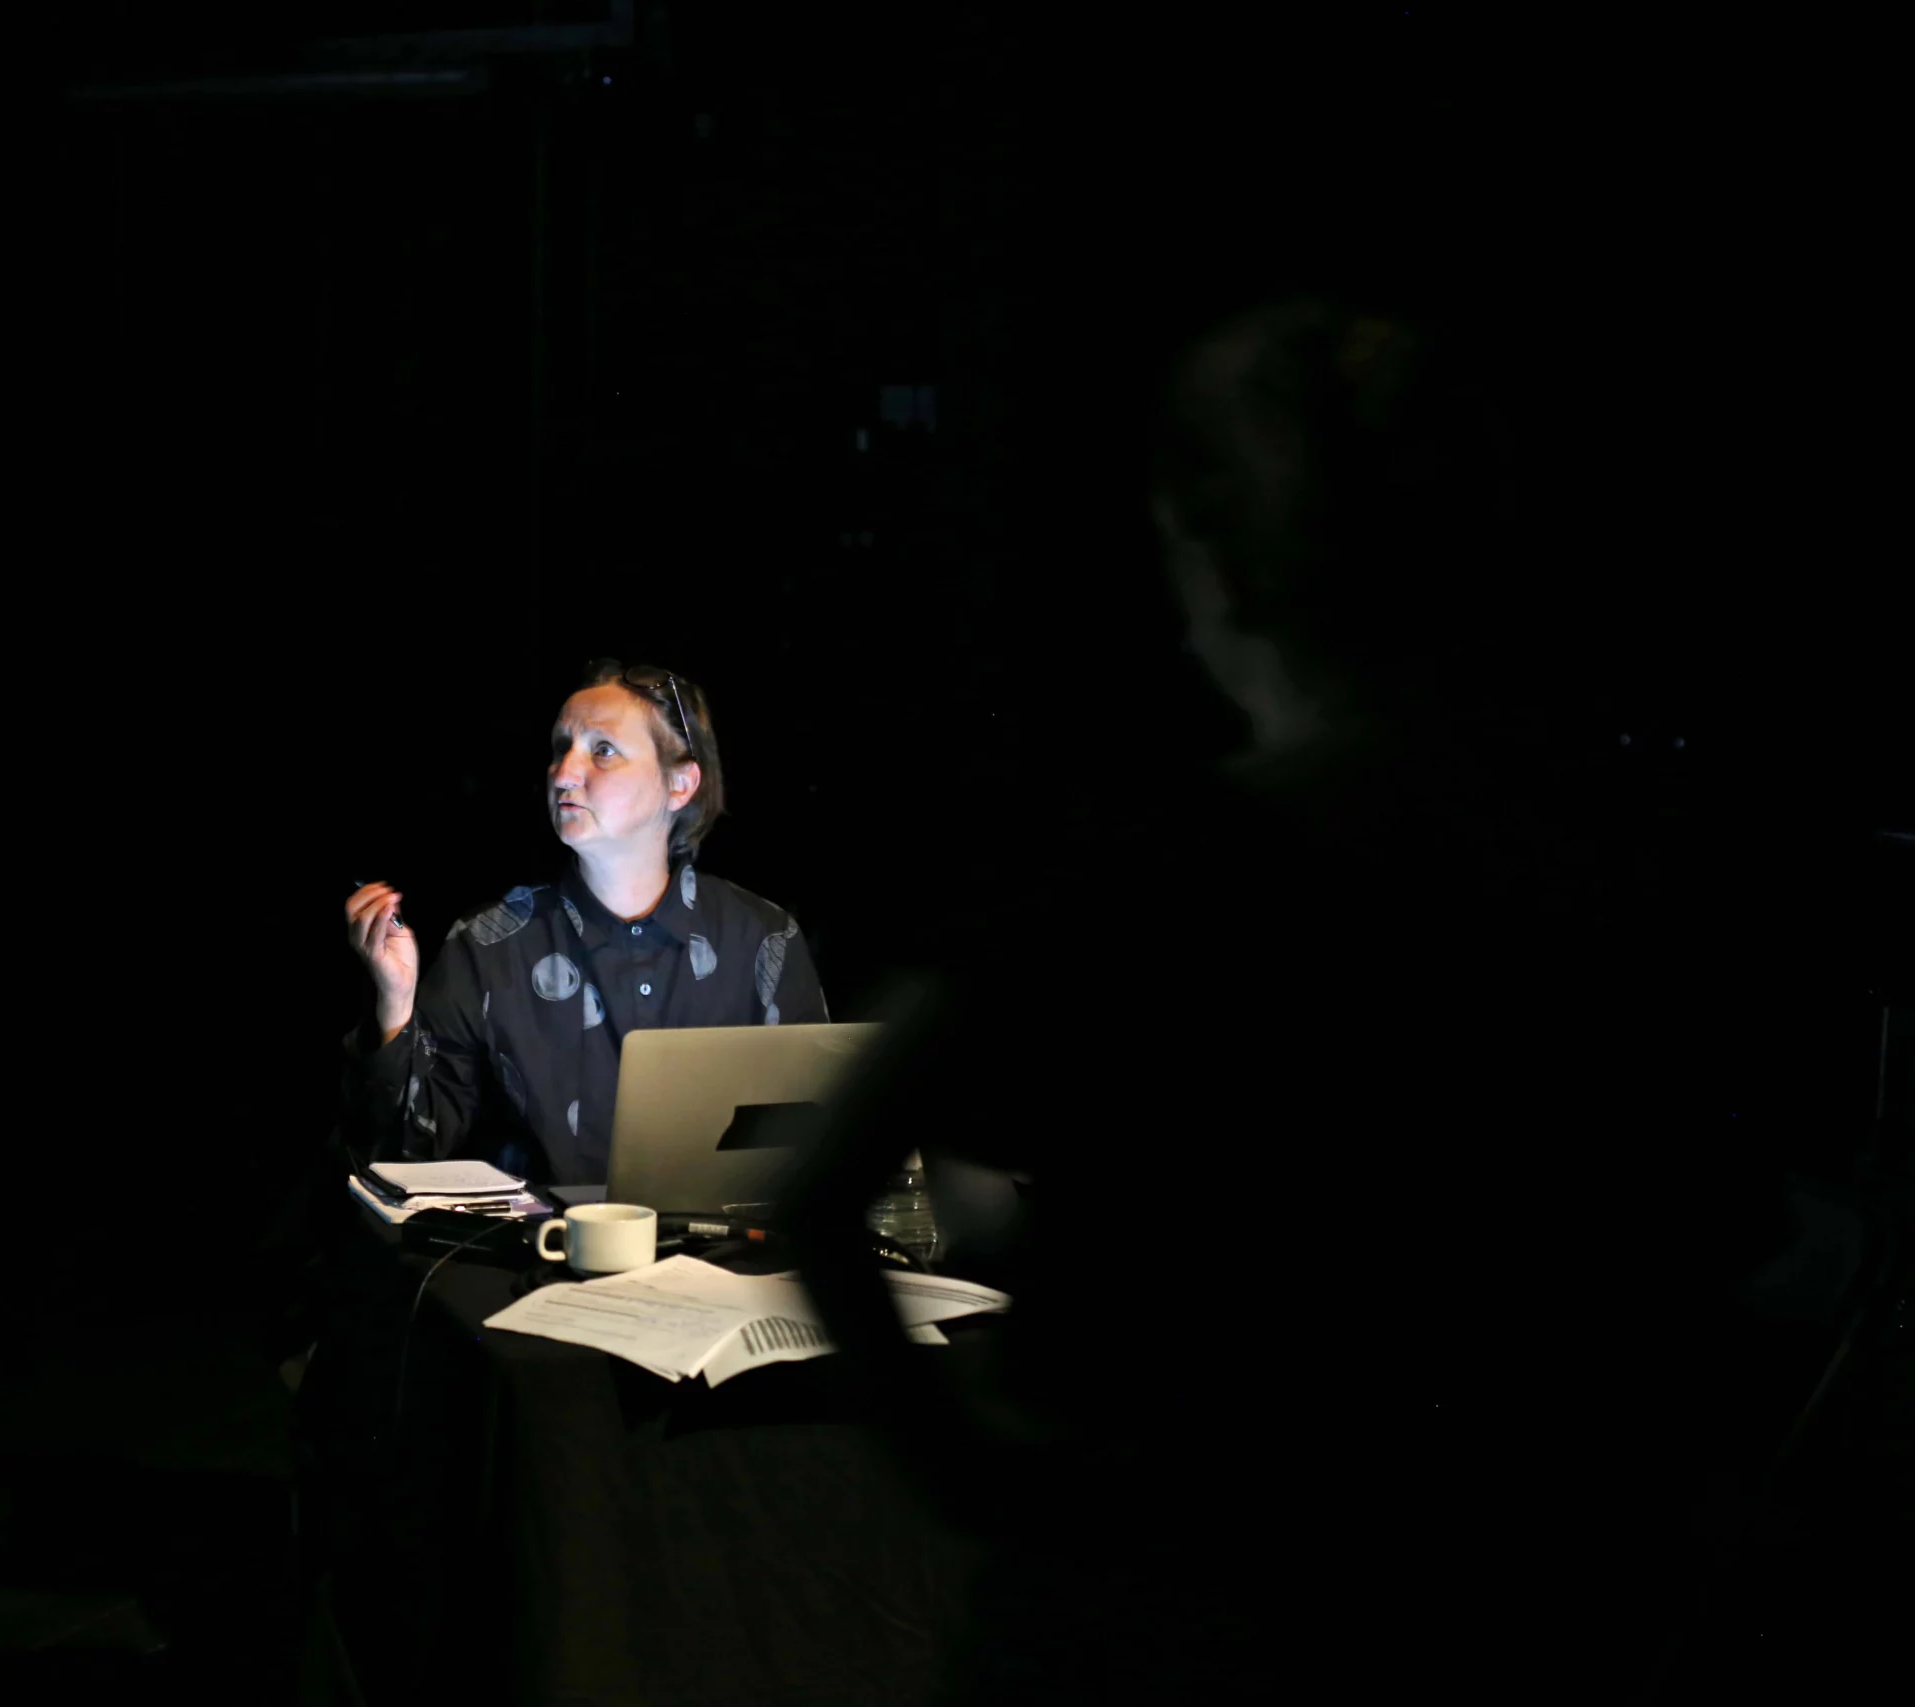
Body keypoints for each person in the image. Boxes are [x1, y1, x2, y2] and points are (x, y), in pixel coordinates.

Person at [778, 294, 1839, 1702]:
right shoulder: (1606, 879)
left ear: (1215, 555)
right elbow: (1714, 1241)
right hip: (1510, 1611)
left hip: (1160, 1612)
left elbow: (824, 1178)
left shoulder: (1150, 872)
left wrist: (982, 1481)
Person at [336, 658, 831, 1187]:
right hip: (545, 1240)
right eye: (560, 749)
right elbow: (400, 1160)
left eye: (603, 750)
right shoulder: (489, 945)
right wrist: (395, 1004)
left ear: (680, 783)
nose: (564, 773)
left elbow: (822, 1140)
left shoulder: (762, 939)